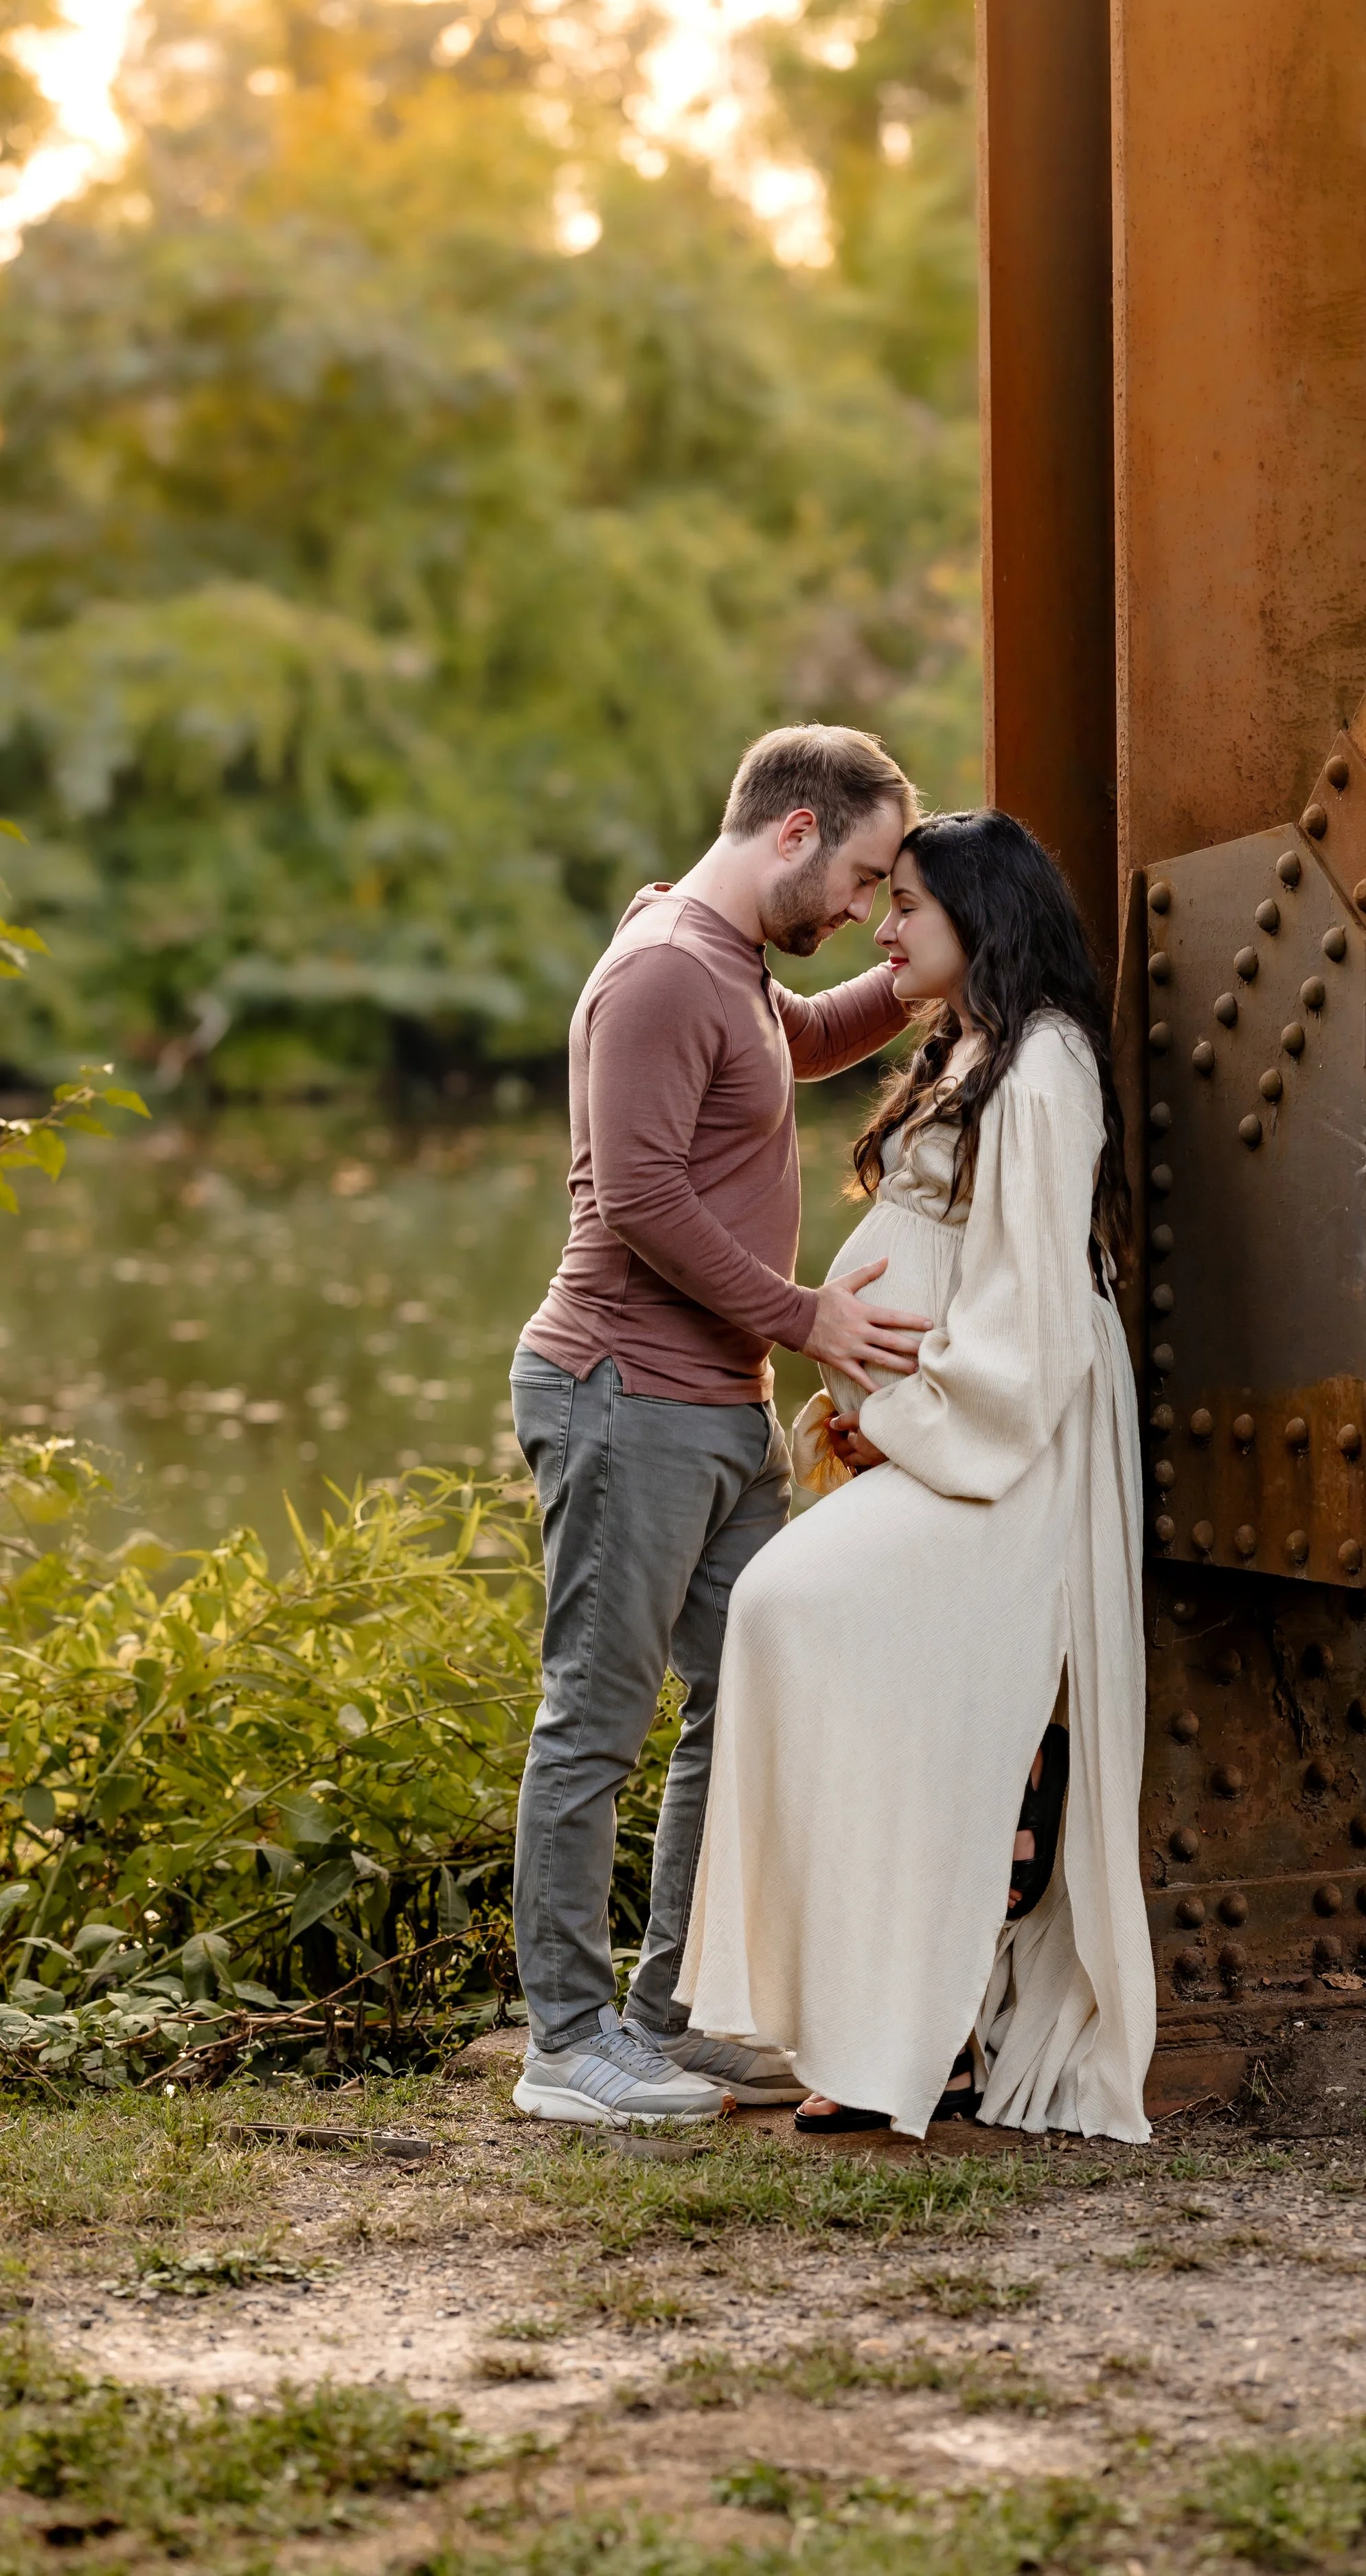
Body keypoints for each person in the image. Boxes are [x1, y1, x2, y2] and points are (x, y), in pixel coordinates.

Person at [678, 809, 1154, 2142]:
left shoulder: (1045, 1066)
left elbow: (1035, 1307)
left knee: (790, 1610)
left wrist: (911, 1418)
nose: (881, 933)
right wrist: (872, 1402)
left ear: (979, 919)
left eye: (908, 909)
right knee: (808, 1641)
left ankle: (908, 2032)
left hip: (1013, 1450)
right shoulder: (975, 1046)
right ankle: (876, 2031)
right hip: (938, 1432)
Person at [508, 724, 934, 2126]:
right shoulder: (659, 974)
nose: (869, 908)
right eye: (870, 879)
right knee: (597, 1724)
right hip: (620, 1394)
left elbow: (803, 1045)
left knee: (736, 1705)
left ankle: (669, 2022)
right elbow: (637, 1197)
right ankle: (564, 2048)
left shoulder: (730, 969)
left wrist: (933, 969)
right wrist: (805, 1316)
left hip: (712, 1408)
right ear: (796, 835)